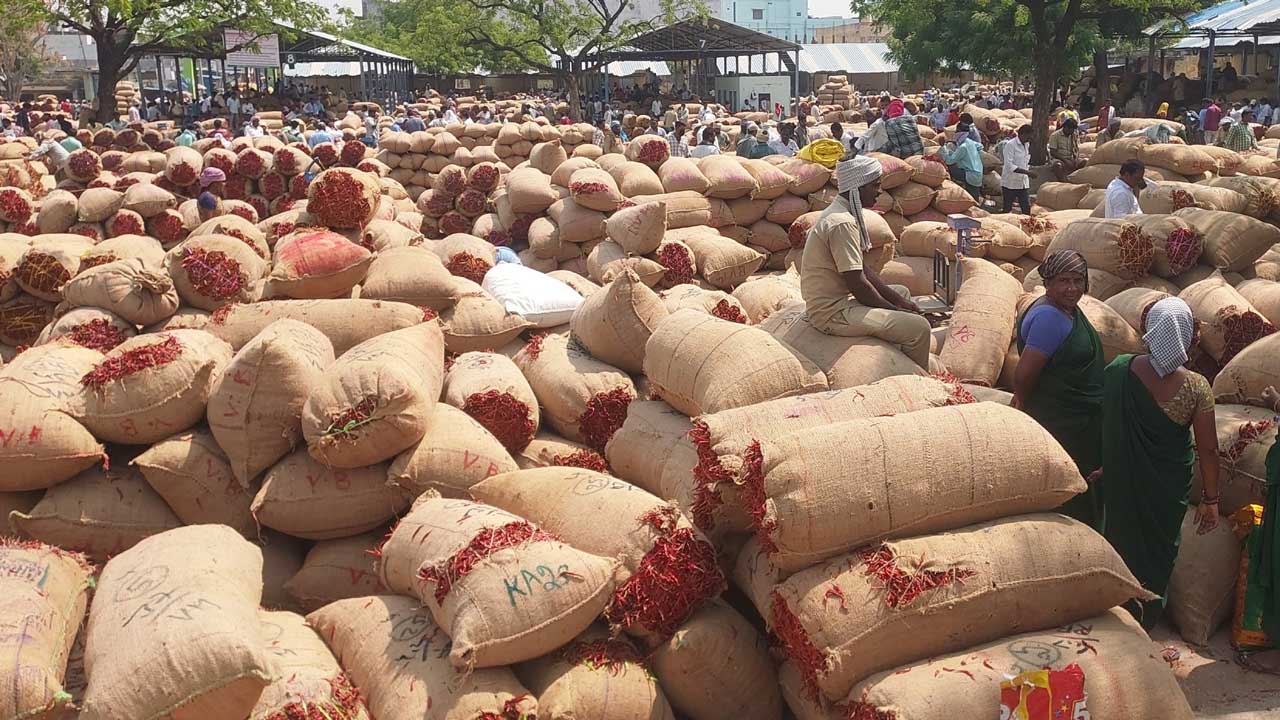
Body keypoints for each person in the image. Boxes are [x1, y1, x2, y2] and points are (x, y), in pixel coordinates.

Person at [1099, 296, 1220, 628]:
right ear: (1187, 334)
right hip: (1166, 488)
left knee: (1121, 537)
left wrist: (1107, 464)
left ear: (1150, 331)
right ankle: (1146, 614)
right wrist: (1211, 499)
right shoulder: (1197, 387)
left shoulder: (1120, 369)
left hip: (1123, 479)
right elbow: (1208, 449)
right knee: (1160, 546)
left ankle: (1116, 608)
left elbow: (1108, 425)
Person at [800, 155, 930, 368]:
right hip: (831, 313)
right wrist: (895, 310)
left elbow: (862, 270)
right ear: (858, 188)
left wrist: (899, 302)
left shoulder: (840, 213)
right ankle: (918, 379)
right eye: (875, 185)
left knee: (902, 293)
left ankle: (897, 361)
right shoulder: (842, 223)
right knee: (920, 328)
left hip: (836, 302)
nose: (879, 191)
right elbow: (858, 284)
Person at [1013, 250, 1105, 528]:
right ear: (1048, 282)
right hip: (1062, 422)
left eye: (1078, 281)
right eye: (1064, 281)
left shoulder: (1064, 312)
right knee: (1071, 492)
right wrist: (1022, 402)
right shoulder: (1050, 319)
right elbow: (1025, 373)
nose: (1072, 288)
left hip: (1076, 420)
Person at [856, 98, 924, 159]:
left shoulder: (889, 122)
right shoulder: (910, 118)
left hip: (905, 154)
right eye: (882, 107)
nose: (884, 108)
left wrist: (879, 152)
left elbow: (895, 146)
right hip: (920, 151)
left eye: (886, 106)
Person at [940, 123, 983, 200]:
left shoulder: (963, 147)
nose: (955, 133)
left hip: (970, 175)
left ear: (959, 132)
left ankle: (951, 188)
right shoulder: (970, 142)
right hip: (978, 172)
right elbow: (980, 146)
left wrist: (943, 147)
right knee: (974, 194)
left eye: (957, 131)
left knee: (950, 168)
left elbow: (949, 161)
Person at [1000, 124, 1033, 214]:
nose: (1029, 139)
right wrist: (1027, 172)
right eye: (1028, 136)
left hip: (1022, 183)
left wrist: (1027, 172)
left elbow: (1025, 161)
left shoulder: (1026, 145)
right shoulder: (1010, 145)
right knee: (1007, 209)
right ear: (1022, 134)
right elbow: (1009, 165)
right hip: (1010, 183)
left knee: (1026, 208)